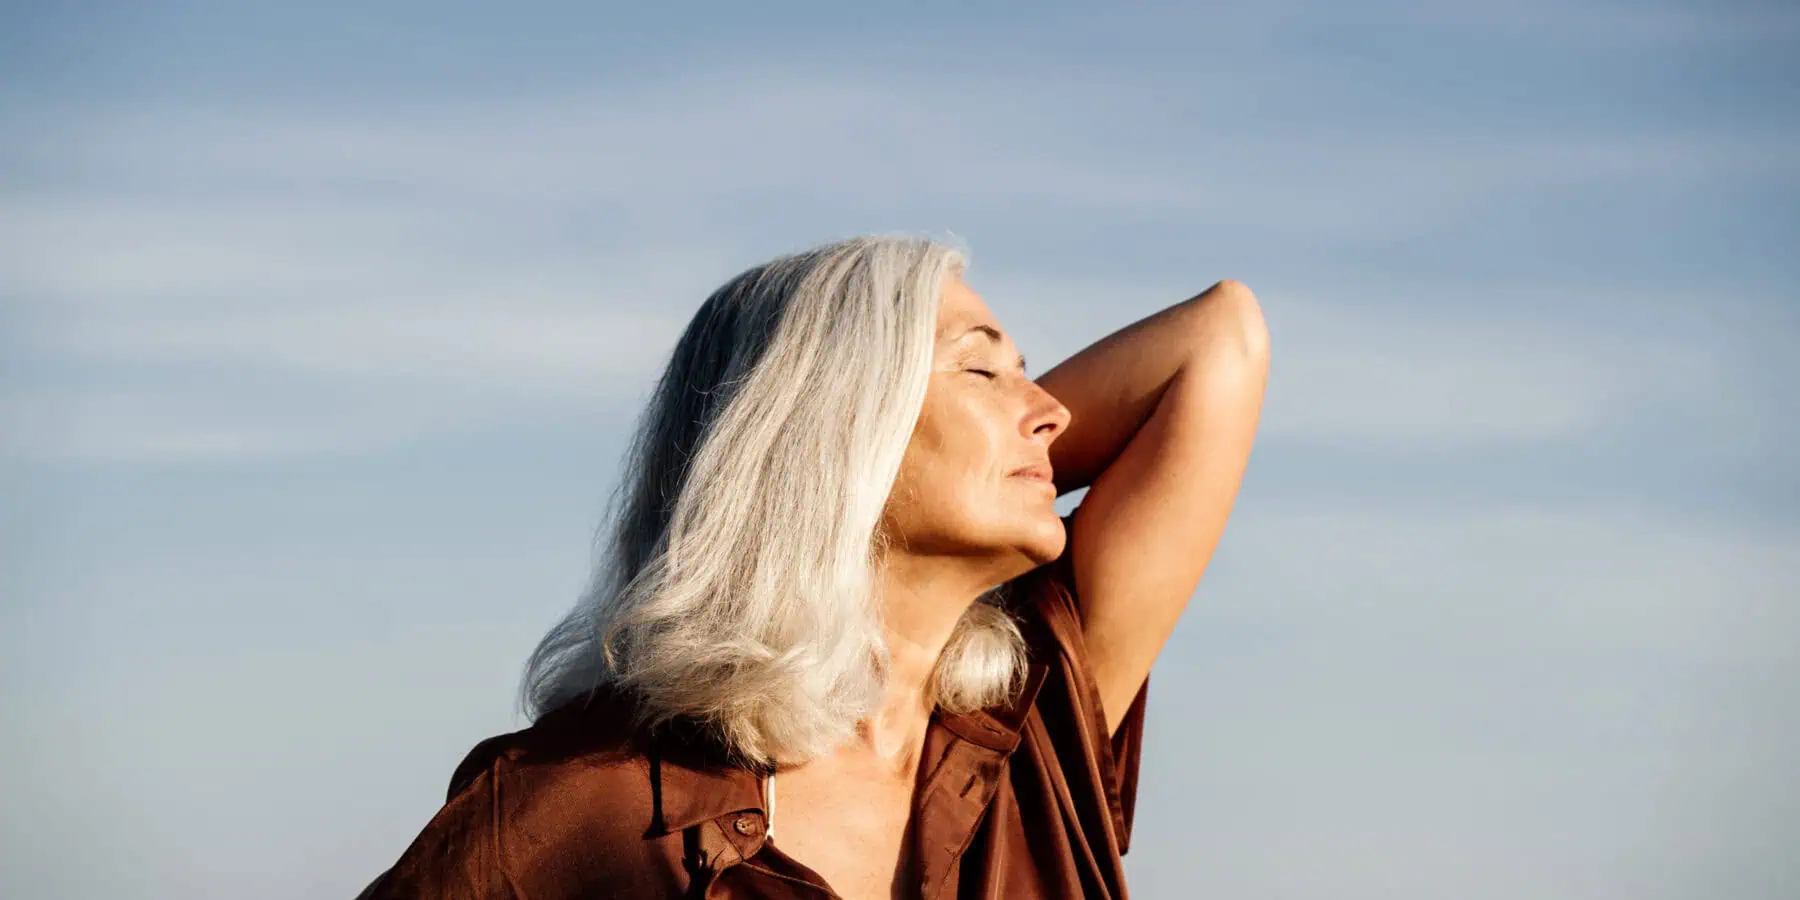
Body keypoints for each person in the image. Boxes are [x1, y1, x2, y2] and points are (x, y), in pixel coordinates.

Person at [354, 235, 1269, 899]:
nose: (1054, 414)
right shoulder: (577, 804)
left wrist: (988, 462)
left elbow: (1219, 339)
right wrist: (859, 481)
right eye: (982, 374)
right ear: (835, 425)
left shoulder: (1037, 711)